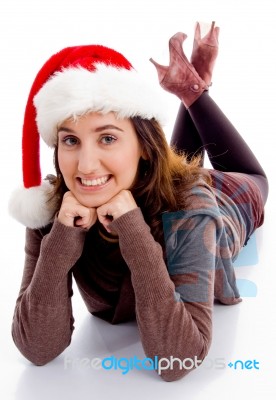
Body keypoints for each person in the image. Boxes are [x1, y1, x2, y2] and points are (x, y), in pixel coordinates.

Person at [9, 22, 268, 382]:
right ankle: (188, 91)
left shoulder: (191, 211)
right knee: (174, 166)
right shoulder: (54, 210)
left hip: (225, 201)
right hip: (158, 178)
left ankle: (194, 93)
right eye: (70, 141)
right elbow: (36, 349)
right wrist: (61, 239)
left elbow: (177, 360)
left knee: (257, 180)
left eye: (107, 138)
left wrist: (133, 229)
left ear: (144, 146)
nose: (85, 166)